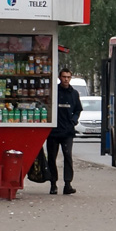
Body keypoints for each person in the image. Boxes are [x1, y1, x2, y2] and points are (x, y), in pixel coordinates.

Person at [47, 67, 83, 195]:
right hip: (53, 132)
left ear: (70, 78)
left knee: (68, 157)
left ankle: (67, 184)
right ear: (59, 77)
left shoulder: (74, 93)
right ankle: (53, 184)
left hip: (68, 132)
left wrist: (73, 120)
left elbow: (78, 109)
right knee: (52, 157)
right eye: (64, 77)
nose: (66, 79)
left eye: (68, 77)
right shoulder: (53, 92)